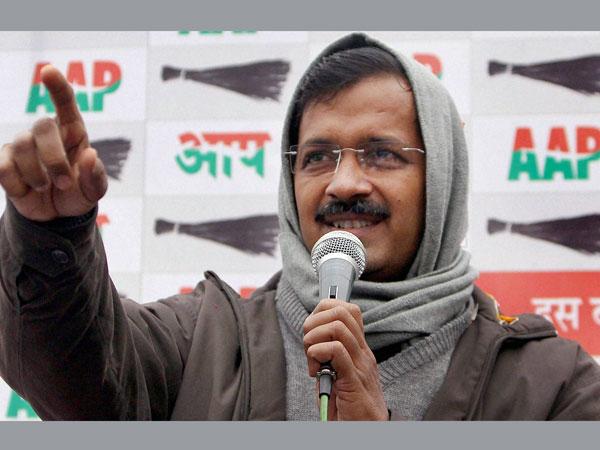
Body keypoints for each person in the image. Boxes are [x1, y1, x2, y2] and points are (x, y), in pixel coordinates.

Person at [0, 33, 598, 420]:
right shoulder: (205, 340)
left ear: (442, 179)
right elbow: (78, 378)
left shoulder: (552, 386)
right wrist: (52, 237)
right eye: (317, 157)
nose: (344, 183)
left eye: (381, 154)